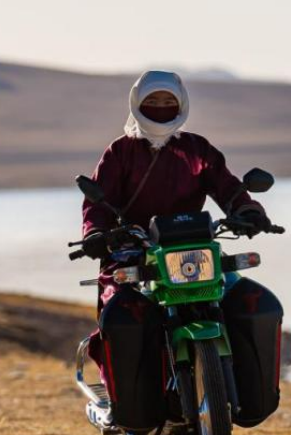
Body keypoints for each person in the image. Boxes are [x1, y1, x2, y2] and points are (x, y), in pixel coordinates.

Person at [80, 71, 274, 416]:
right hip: (133, 250)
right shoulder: (120, 151)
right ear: (136, 104)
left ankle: (245, 394)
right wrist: (95, 233)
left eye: (168, 101)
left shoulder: (197, 149)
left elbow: (227, 187)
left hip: (194, 250)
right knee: (121, 310)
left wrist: (247, 211)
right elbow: (98, 202)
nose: (160, 107)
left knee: (240, 296)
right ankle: (128, 406)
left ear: (181, 104)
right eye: (151, 101)